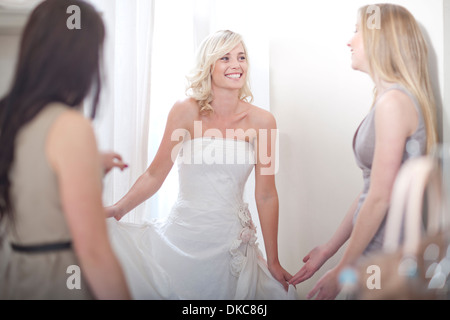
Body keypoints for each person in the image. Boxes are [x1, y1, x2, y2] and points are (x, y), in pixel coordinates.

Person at [105, 29, 297, 299]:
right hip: (183, 238)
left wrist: (274, 261)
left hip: (231, 245)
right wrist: (119, 208)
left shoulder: (263, 122)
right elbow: (154, 174)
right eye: (225, 58)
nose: (236, 65)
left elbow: (266, 194)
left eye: (241, 57)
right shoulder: (185, 111)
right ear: (209, 65)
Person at [289, 4, 438, 300]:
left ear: (380, 39)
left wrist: (341, 270)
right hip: (377, 247)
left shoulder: (393, 103)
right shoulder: (387, 99)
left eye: (357, 31)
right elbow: (370, 191)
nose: (349, 41)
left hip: (386, 250)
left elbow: (380, 198)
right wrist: (329, 250)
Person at [0, 0, 130, 299]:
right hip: (58, 280)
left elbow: (33, 176)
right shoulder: (71, 126)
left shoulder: (10, 116)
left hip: (17, 275)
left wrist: (90, 163)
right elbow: (94, 252)